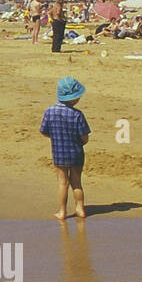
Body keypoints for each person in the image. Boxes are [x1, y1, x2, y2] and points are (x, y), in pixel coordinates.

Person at [39, 77, 90, 220]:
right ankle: (80, 209)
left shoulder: (50, 112)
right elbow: (84, 137)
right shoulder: (78, 114)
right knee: (76, 182)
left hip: (59, 153)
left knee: (62, 182)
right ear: (74, 98)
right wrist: (79, 142)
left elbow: (43, 131)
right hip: (76, 153)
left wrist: (56, 137)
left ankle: (62, 211)